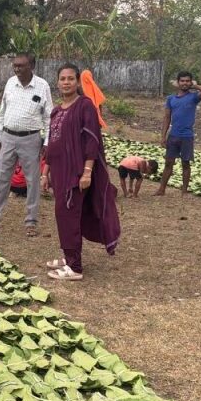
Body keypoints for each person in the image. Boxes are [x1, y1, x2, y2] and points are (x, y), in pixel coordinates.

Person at [40, 63, 120, 280]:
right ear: (57, 82)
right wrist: (45, 174)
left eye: (70, 79)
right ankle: (69, 256)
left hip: (75, 173)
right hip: (58, 172)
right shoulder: (56, 111)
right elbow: (51, 144)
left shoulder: (84, 106)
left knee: (68, 215)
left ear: (77, 82)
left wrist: (87, 172)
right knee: (64, 216)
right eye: (62, 78)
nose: (66, 82)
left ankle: (74, 268)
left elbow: (92, 141)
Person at [0, 53, 53, 237]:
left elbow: (49, 118)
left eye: (21, 65)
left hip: (31, 139)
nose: (17, 69)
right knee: (1, 179)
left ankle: (31, 221)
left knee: (32, 181)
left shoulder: (42, 86)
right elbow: (2, 113)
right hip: (8, 137)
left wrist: (47, 141)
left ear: (32, 66)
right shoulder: (10, 83)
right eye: (15, 65)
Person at [153, 71, 201, 195]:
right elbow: (167, 118)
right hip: (173, 136)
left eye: (187, 81)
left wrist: (195, 86)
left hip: (187, 137)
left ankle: (184, 191)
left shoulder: (194, 97)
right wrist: (163, 136)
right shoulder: (170, 99)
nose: (185, 83)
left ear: (190, 82)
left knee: (185, 163)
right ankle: (161, 189)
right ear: (178, 83)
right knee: (168, 163)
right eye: (182, 81)